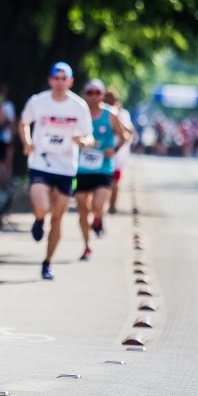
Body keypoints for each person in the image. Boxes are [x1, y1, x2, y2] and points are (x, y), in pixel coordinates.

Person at [18, 62, 93, 280]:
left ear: (71, 81)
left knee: (58, 218)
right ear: (50, 80)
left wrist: (83, 141)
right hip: (41, 162)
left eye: (64, 78)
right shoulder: (38, 102)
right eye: (56, 78)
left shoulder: (79, 107)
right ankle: (39, 219)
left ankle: (47, 262)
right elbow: (23, 123)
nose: (60, 82)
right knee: (42, 207)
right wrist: (27, 141)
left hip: (66, 167)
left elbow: (89, 136)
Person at [74, 79, 129, 260]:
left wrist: (113, 150)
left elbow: (125, 136)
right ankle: (86, 245)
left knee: (97, 206)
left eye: (97, 92)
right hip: (81, 168)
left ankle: (97, 217)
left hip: (103, 167)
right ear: (85, 94)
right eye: (90, 92)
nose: (93, 96)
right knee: (82, 208)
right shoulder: (79, 113)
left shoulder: (110, 114)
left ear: (102, 95)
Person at [103, 89, 136, 214]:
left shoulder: (121, 114)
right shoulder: (99, 112)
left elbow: (129, 131)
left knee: (115, 181)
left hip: (117, 153)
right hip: (102, 151)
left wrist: (117, 118)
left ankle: (112, 206)